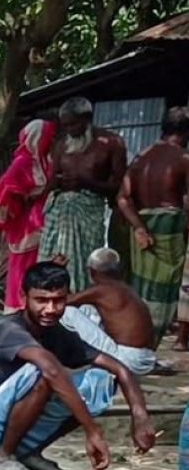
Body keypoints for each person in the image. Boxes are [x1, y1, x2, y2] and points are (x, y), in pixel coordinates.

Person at [0, 262, 153, 470]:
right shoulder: (7, 330)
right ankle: (2, 457)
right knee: (45, 372)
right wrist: (92, 430)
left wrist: (140, 416)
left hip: (4, 428)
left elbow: (120, 369)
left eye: (58, 300)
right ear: (24, 296)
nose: (50, 309)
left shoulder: (57, 333)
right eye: (42, 300)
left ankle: (28, 453)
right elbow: (51, 370)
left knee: (100, 381)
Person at [115, 106, 189, 348]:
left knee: (143, 289)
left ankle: (137, 346)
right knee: (163, 292)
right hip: (169, 229)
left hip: (143, 228)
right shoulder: (183, 159)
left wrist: (139, 228)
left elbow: (123, 198)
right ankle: (146, 349)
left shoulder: (141, 158)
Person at [42, 97, 127, 291]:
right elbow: (52, 182)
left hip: (89, 212)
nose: (70, 129)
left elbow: (118, 185)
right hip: (60, 213)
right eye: (65, 125)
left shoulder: (111, 143)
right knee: (53, 264)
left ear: (87, 118)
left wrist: (87, 182)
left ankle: (83, 307)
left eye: (73, 124)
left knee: (85, 263)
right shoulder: (62, 145)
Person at [0, 120, 57, 312]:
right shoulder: (22, 162)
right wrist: (26, 198)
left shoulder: (48, 160)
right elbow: (6, 187)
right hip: (26, 224)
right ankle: (18, 308)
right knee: (23, 267)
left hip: (46, 222)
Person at [63, 248, 157, 375]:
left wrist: (59, 271)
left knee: (68, 312)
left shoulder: (102, 290)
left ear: (91, 271)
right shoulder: (124, 288)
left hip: (127, 359)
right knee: (88, 310)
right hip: (144, 358)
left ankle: (74, 357)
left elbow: (62, 302)